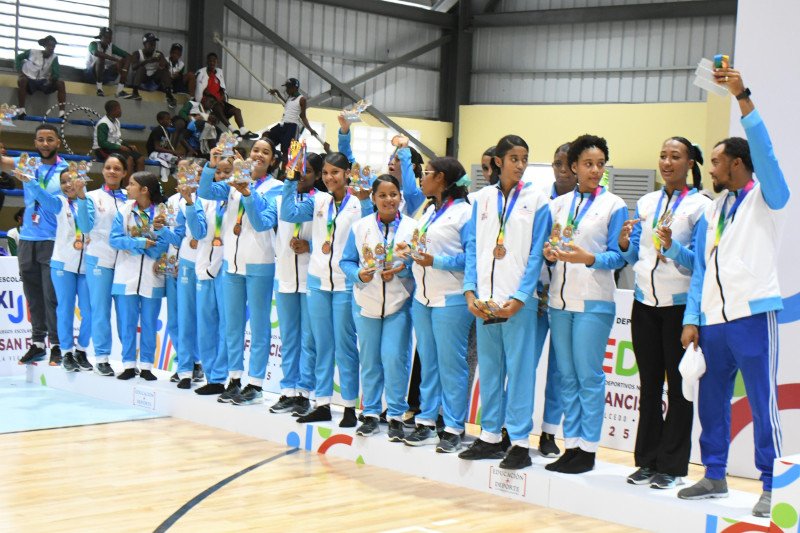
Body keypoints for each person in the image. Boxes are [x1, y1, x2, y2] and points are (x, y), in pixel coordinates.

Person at [678, 68, 788, 518]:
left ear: (739, 165)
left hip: (752, 315)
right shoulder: (713, 209)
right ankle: (715, 474)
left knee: (762, 404)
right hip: (713, 322)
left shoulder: (768, 197)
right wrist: (692, 318)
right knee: (712, 402)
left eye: (717, 162)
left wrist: (741, 96)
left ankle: (771, 484)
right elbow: (703, 268)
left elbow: (766, 152)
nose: (711, 169)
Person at [619, 137, 709, 489]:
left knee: (678, 390)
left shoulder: (701, 206)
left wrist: (672, 248)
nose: (667, 162)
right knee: (649, 386)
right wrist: (626, 244)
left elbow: (699, 263)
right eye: (663, 155)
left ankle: (672, 465)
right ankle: (647, 461)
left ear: (690, 164)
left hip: (678, 307)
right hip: (643, 305)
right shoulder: (646, 201)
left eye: (675, 157)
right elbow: (635, 258)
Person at [459, 135, 550, 470]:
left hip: (517, 305)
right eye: (514, 158)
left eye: (524, 158)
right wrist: (470, 291)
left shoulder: (536, 200)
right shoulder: (480, 199)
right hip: (485, 302)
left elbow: (537, 253)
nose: (520, 164)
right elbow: (473, 248)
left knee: (520, 373)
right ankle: (490, 437)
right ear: (498, 161)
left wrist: (521, 298)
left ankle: (520, 442)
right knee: (492, 370)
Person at [543, 134, 628, 474]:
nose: (595, 170)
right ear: (573, 167)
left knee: (588, 376)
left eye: (601, 164)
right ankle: (572, 445)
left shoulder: (614, 205)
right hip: (559, 302)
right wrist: (550, 255)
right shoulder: (557, 206)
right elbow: (548, 248)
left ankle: (589, 450)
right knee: (566, 376)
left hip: (595, 301)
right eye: (588, 164)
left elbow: (621, 256)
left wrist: (588, 258)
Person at [281, 152, 373, 427]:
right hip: (318, 283)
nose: (330, 177)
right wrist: (290, 178)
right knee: (322, 345)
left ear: (347, 173)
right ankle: (321, 403)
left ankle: (348, 406)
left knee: (345, 347)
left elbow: (370, 231)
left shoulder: (359, 203)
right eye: (325, 173)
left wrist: (367, 200)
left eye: (336, 172)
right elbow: (288, 213)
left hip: (346, 284)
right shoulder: (318, 200)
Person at [394, 157, 474, 452]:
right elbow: (425, 249)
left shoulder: (465, 214)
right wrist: (410, 251)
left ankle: (453, 426)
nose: (421, 179)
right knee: (428, 363)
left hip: (451, 298)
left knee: (452, 365)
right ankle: (427, 421)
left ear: (440, 178)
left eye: (425, 174)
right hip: (423, 298)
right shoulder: (429, 212)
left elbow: (471, 258)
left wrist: (435, 261)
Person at [198, 140, 282, 405]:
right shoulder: (232, 182)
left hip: (260, 264)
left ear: (272, 161)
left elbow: (261, 222)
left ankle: (255, 384)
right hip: (231, 265)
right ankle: (234, 378)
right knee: (232, 325)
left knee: (258, 326)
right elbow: (205, 191)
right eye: (256, 150)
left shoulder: (276, 189)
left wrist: (247, 191)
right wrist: (212, 165)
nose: (259, 155)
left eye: (265, 152)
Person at [340, 175, 415, 440]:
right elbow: (346, 262)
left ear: (400, 197)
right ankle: (370, 413)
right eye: (382, 195)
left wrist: (402, 267)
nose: (388, 200)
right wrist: (359, 274)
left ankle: (395, 415)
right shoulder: (360, 227)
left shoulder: (412, 227)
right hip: (366, 304)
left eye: (393, 194)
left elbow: (418, 262)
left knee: (395, 359)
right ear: (373, 198)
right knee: (370, 361)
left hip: (399, 304)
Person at [0, 124, 69, 365]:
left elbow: (55, 206)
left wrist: (29, 182)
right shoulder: (26, 162)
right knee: (33, 297)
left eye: (50, 139)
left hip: (53, 240)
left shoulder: (65, 171)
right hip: (27, 240)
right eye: (40, 139)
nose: (45, 144)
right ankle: (37, 343)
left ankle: (58, 345)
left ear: (58, 142)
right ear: (35, 142)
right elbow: (1, 163)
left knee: (52, 296)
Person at [531, 142, 576, 459]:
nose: (560, 169)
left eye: (565, 163)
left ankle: (548, 433)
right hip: (533, 299)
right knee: (523, 366)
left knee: (560, 372)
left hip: (567, 299)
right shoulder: (537, 201)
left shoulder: (585, 204)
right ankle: (512, 427)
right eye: (555, 163)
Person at [268, 154, 322, 416]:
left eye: (308, 171)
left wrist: (309, 246)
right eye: (297, 171)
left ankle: (304, 393)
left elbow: (331, 238)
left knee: (309, 340)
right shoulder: (281, 198)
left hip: (312, 277)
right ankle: (287, 390)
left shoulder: (321, 202)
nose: (301, 176)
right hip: (286, 277)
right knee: (288, 338)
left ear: (318, 176)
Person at [23, 168, 91, 372]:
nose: (68, 184)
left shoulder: (91, 203)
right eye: (63, 182)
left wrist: (82, 197)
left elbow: (90, 227)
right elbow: (43, 196)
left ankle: (81, 350)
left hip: (87, 266)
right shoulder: (60, 203)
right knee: (64, 309)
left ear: (83, 180)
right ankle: (67, 352)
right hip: (62, 264)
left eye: (72, 180)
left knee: (89, 311)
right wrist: (31, 182)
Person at [110, 172, 168, 379]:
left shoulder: (163, 213)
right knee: (127, 321)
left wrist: (150, 249)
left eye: (132, 184)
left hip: (153, 276)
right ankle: (128, 364)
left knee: (150, 323)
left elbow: (165, 243)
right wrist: (139, 244)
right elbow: (115, 240)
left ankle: (146, 366)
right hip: (126, 274)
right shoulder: (124, 211)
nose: (128, 187)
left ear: (145, 189)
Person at [75, 154, 128, 375]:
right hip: (99, 260)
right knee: (100, 310)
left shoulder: (130, 197)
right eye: (108, 168)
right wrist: (79, 196)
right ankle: (102, 358)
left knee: (126, 313)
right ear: (103, 171)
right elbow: (85, 226)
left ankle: (129, 362)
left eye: (117, 168)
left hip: (127, 262)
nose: (112, 171)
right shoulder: (91, 197)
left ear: (124, 173)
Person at [187, 157, 233, 396]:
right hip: (205, 264)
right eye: (220, 172)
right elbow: (197, 232)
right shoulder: (205, 201)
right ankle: (211, 376)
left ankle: (223, 375)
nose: (224, 176)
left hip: (228, 266)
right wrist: (189, 203)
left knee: (226, 324)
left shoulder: (237, 200)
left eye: (229, 172)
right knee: (206, 324)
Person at [195, 53, 257, 139]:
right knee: (218, 106)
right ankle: (232, 129)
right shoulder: (203, 73)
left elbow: (222, 89)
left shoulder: (219, 73)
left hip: (220, 101)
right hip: (209, 102)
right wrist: (217, 99)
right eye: (210, 61)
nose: (212, 63)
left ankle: (243, 130)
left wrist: (223, 97)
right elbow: (204, 90)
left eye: (214, 61)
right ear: (207, 62)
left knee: (237, 110)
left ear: (217, 62)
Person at [267, 78, 320, 159]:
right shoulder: (290, 98)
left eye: (289, 87)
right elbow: (288, 105)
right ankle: (272, 158)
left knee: (286, 151)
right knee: (266, 136)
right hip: (282, 125)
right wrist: (277, 93)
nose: (287, 90)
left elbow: (303, 117)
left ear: (295, 88)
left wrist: (310, 129)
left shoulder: (302, 99)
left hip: (292, 127)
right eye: (286, 87)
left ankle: (283, 170)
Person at [14, 35, 66, 118]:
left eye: (53, 46)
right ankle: (21, 110)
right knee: (22, 80)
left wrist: (52, 79)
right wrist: (20, 72)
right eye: (49, 45)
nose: (51, 48)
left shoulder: (54, 58)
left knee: (61, 83)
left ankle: (62, 113)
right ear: (44, 46)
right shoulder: (32, 52)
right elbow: (18, 58)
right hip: (28, 79)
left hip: (42, 81)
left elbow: (56, 72)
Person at [93, 100, 144, 175]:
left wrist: (128, 146)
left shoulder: (116, 121)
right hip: (102, 150)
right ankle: (128, 186)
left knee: (140, 158)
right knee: (128, 159)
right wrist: (119, 147)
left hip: (114, 148)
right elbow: (102, 143)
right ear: (113, 111)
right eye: (119, 109)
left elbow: (117, 139)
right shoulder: (103, 123)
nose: (121, 111)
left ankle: (139, 183)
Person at [126, 33, 175, 108]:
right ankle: (135, 92)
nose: (153, 47)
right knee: (141, 68)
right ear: (145, 44)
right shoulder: (137, 53)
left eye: (154, 44)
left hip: (154, 82)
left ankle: (169, 95)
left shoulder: (158, 54)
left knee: (164, 71)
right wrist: (147, 61)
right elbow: (133, 67)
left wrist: (163, 63)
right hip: (142, 82)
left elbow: (168, 66)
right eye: (151, 44)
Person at [84, 26, 129, 98]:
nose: (108, 40)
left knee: (124, 60)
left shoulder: (110, 47)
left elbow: (128, 56)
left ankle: (119, 91)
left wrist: (124, 70)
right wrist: (116, 60)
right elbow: (96, 53)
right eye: (105, 37)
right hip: (91, 74)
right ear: (101, 37)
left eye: (110, 38)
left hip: (104, 74)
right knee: (101, 58)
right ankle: (99, 89)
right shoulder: (93, 44)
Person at [147, 111, 182, 181]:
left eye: (170, 119)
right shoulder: (158, 130)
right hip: (154, 154)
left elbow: (165, 146)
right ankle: (175, 173)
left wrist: (174, 153)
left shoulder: (167, 131)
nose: (170, 121)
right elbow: (157, 148)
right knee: (178, 160)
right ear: (161, 121)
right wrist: (173, 151)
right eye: (167, 119)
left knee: (180, 159)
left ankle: (175, 172)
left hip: (161, 153)